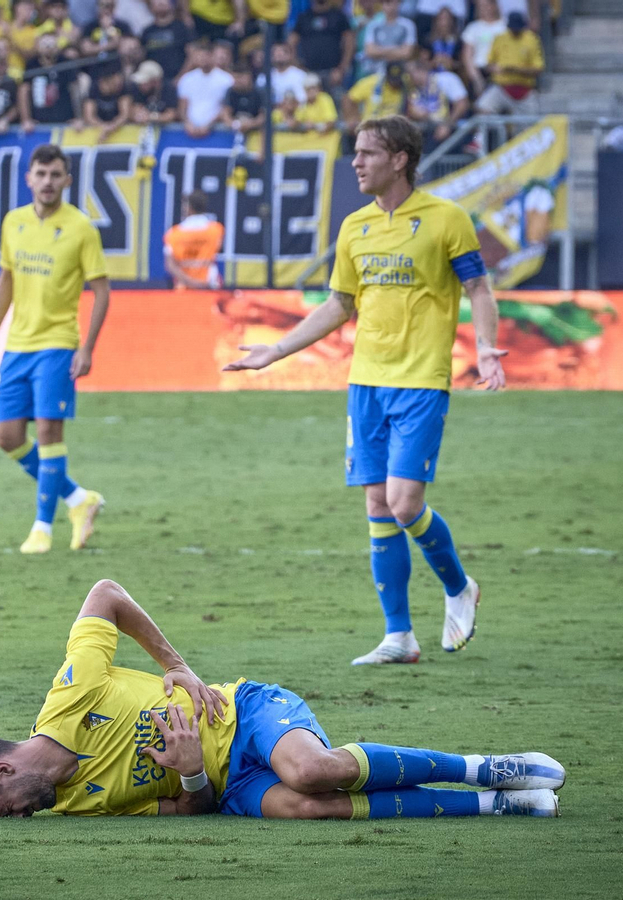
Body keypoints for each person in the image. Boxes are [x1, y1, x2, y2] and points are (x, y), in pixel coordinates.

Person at [224, 116, 505, 665]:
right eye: (355, 153)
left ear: (400, 159)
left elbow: (478, 287)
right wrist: (276, 351)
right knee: (378, 504)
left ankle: (458, 586)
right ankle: (399, 636)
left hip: (421, 380)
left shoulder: (447, 219)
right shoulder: (355, 227)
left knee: (404, 502)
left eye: (367, 153)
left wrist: (487, 347)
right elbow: (338, 305)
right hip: (366, 384)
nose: (355, 162)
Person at [0, 579, 565, 818]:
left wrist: (176, 665)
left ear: (3, 769)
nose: (22, 818)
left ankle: (486, 768)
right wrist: (186, 777)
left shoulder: (69, 700)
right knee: (304, 808)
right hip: (229, 785)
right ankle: (493, 806)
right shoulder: (76, 805)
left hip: (247, 713)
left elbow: (105, 594)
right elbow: (193, 811)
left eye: (8, 809)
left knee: (311, 772)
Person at [0, 145, 110, 555]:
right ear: (29, 178)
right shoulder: (13, 222)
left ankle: (42, 528)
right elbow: (6, 281)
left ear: (67, 180)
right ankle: (77, 499)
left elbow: (102, 291)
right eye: (42, 174)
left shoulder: (81, 227)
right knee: (7, 437)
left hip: (58, 344)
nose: (48, 181)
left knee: (49, 431)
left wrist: (86, 347)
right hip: (18, 345)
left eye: (56, 174)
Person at [474, 10, 542, 115]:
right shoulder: (500, 39)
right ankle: (499, 129)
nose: (515, 31)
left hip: (525, 89)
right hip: (502, 87)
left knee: (533, 120)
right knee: (482, 106)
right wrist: (495, 69)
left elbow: (538, 68)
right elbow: (489, 65)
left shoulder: (531, 39)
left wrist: (516, 70)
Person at [162, 190, 223, 290]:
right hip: (209, 285)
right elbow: (216, 249)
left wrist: (189, 282)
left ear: (188, 208)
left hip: (183, 286)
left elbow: (170, 264)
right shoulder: (216, 230)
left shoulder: (173, 234)